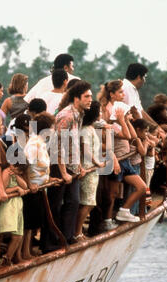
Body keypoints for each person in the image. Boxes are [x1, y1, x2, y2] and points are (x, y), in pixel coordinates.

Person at [44, 80, 92, 252]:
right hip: (58, 164)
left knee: (73, 201)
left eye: (90, 96)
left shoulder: (79, 114)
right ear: (76, 98)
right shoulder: (67, 116)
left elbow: (73, 144)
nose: (90, 99)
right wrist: (63, 172)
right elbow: (57, 146)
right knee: (55, 204)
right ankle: (50, 243)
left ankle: (67, 237)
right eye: (86, 96)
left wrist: (78, 165)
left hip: (71, 165)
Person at [98, 80, 146, 224]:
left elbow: (132, 136)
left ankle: (124, 211)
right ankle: (107, 221)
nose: (123, 94)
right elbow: (124, 135)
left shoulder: (120, 109)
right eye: (120, 92)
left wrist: (125, 119)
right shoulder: (107, 111)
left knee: (141, 187)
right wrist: (121, 120)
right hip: (117, 157)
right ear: (112, 94)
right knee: (111, 194)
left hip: (125, 159)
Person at [23, 112, 61, 258]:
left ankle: (28, 251)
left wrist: (49, 179)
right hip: (33, 189)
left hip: (40, 188)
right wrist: (29, 184)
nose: (54, 130)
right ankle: (25, 253)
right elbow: (26, 165)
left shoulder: (41, 143)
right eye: (52, 127)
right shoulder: (34, 144)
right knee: (29, 224)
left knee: (34, 223)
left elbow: (40, 166)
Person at [75, 101, 105, 242]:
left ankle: (78, 231)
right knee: (88, 203)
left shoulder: (90, 128)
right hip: (88, 170)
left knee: (89, 202)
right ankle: (77, 232)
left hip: (92, 170)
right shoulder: (86, 130)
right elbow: (85, 150)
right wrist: (97, 162)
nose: (101, 113)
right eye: (99, 111)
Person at [0, 163, 28, 266]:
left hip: (17, 206)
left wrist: (17, 176)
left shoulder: (15, 174)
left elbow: (25, 186)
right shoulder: (6, 172)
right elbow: (3, 190)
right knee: (1, 234)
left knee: (18, 235)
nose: (12, 167)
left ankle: (7, 258)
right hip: (7, 206)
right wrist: (16, 189)